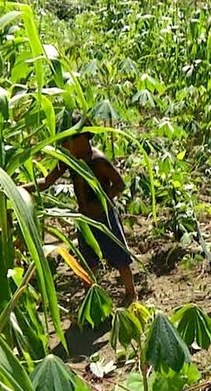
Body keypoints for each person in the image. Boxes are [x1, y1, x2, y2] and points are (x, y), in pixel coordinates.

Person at [23, 111, 137, 305]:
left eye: (67, 140)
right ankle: (92, 301)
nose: (64, 145)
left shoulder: (97, 160)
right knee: (88, 261)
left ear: (82, 138)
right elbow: (48, 181)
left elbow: (119, 184)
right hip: (84, 219)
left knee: (120, 258)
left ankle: (130, 293)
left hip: (104, 217)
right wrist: (21, 188)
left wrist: (101, 202)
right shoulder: (69, 160)